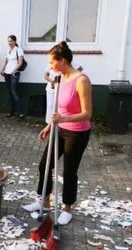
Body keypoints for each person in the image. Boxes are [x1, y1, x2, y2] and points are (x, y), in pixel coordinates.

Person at [22, 41, 92, 226]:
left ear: (62, 60)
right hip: (59, 129)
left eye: (52, 62)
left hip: (77, 133)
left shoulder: (81, 80)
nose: (50, 66)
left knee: (69, 171)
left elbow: (87, 114)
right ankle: (44, 202)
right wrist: (50, 126)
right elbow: (57, 110)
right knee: (45, 165)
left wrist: (62, 120)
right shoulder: (60, 78)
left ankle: (67, 208)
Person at [0, 35, 25, 118]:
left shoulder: (19, 50)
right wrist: (3, 69)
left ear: (15, 41)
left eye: (11, 41)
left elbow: (20, 62)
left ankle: (20, 112)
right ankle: (11, 112)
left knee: (14, 92)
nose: (9, 42)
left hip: (14, 74)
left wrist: (14, 71)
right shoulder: (8, 50)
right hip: (7, 73)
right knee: (9, 93)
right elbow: (7, 61)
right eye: (8, 41)